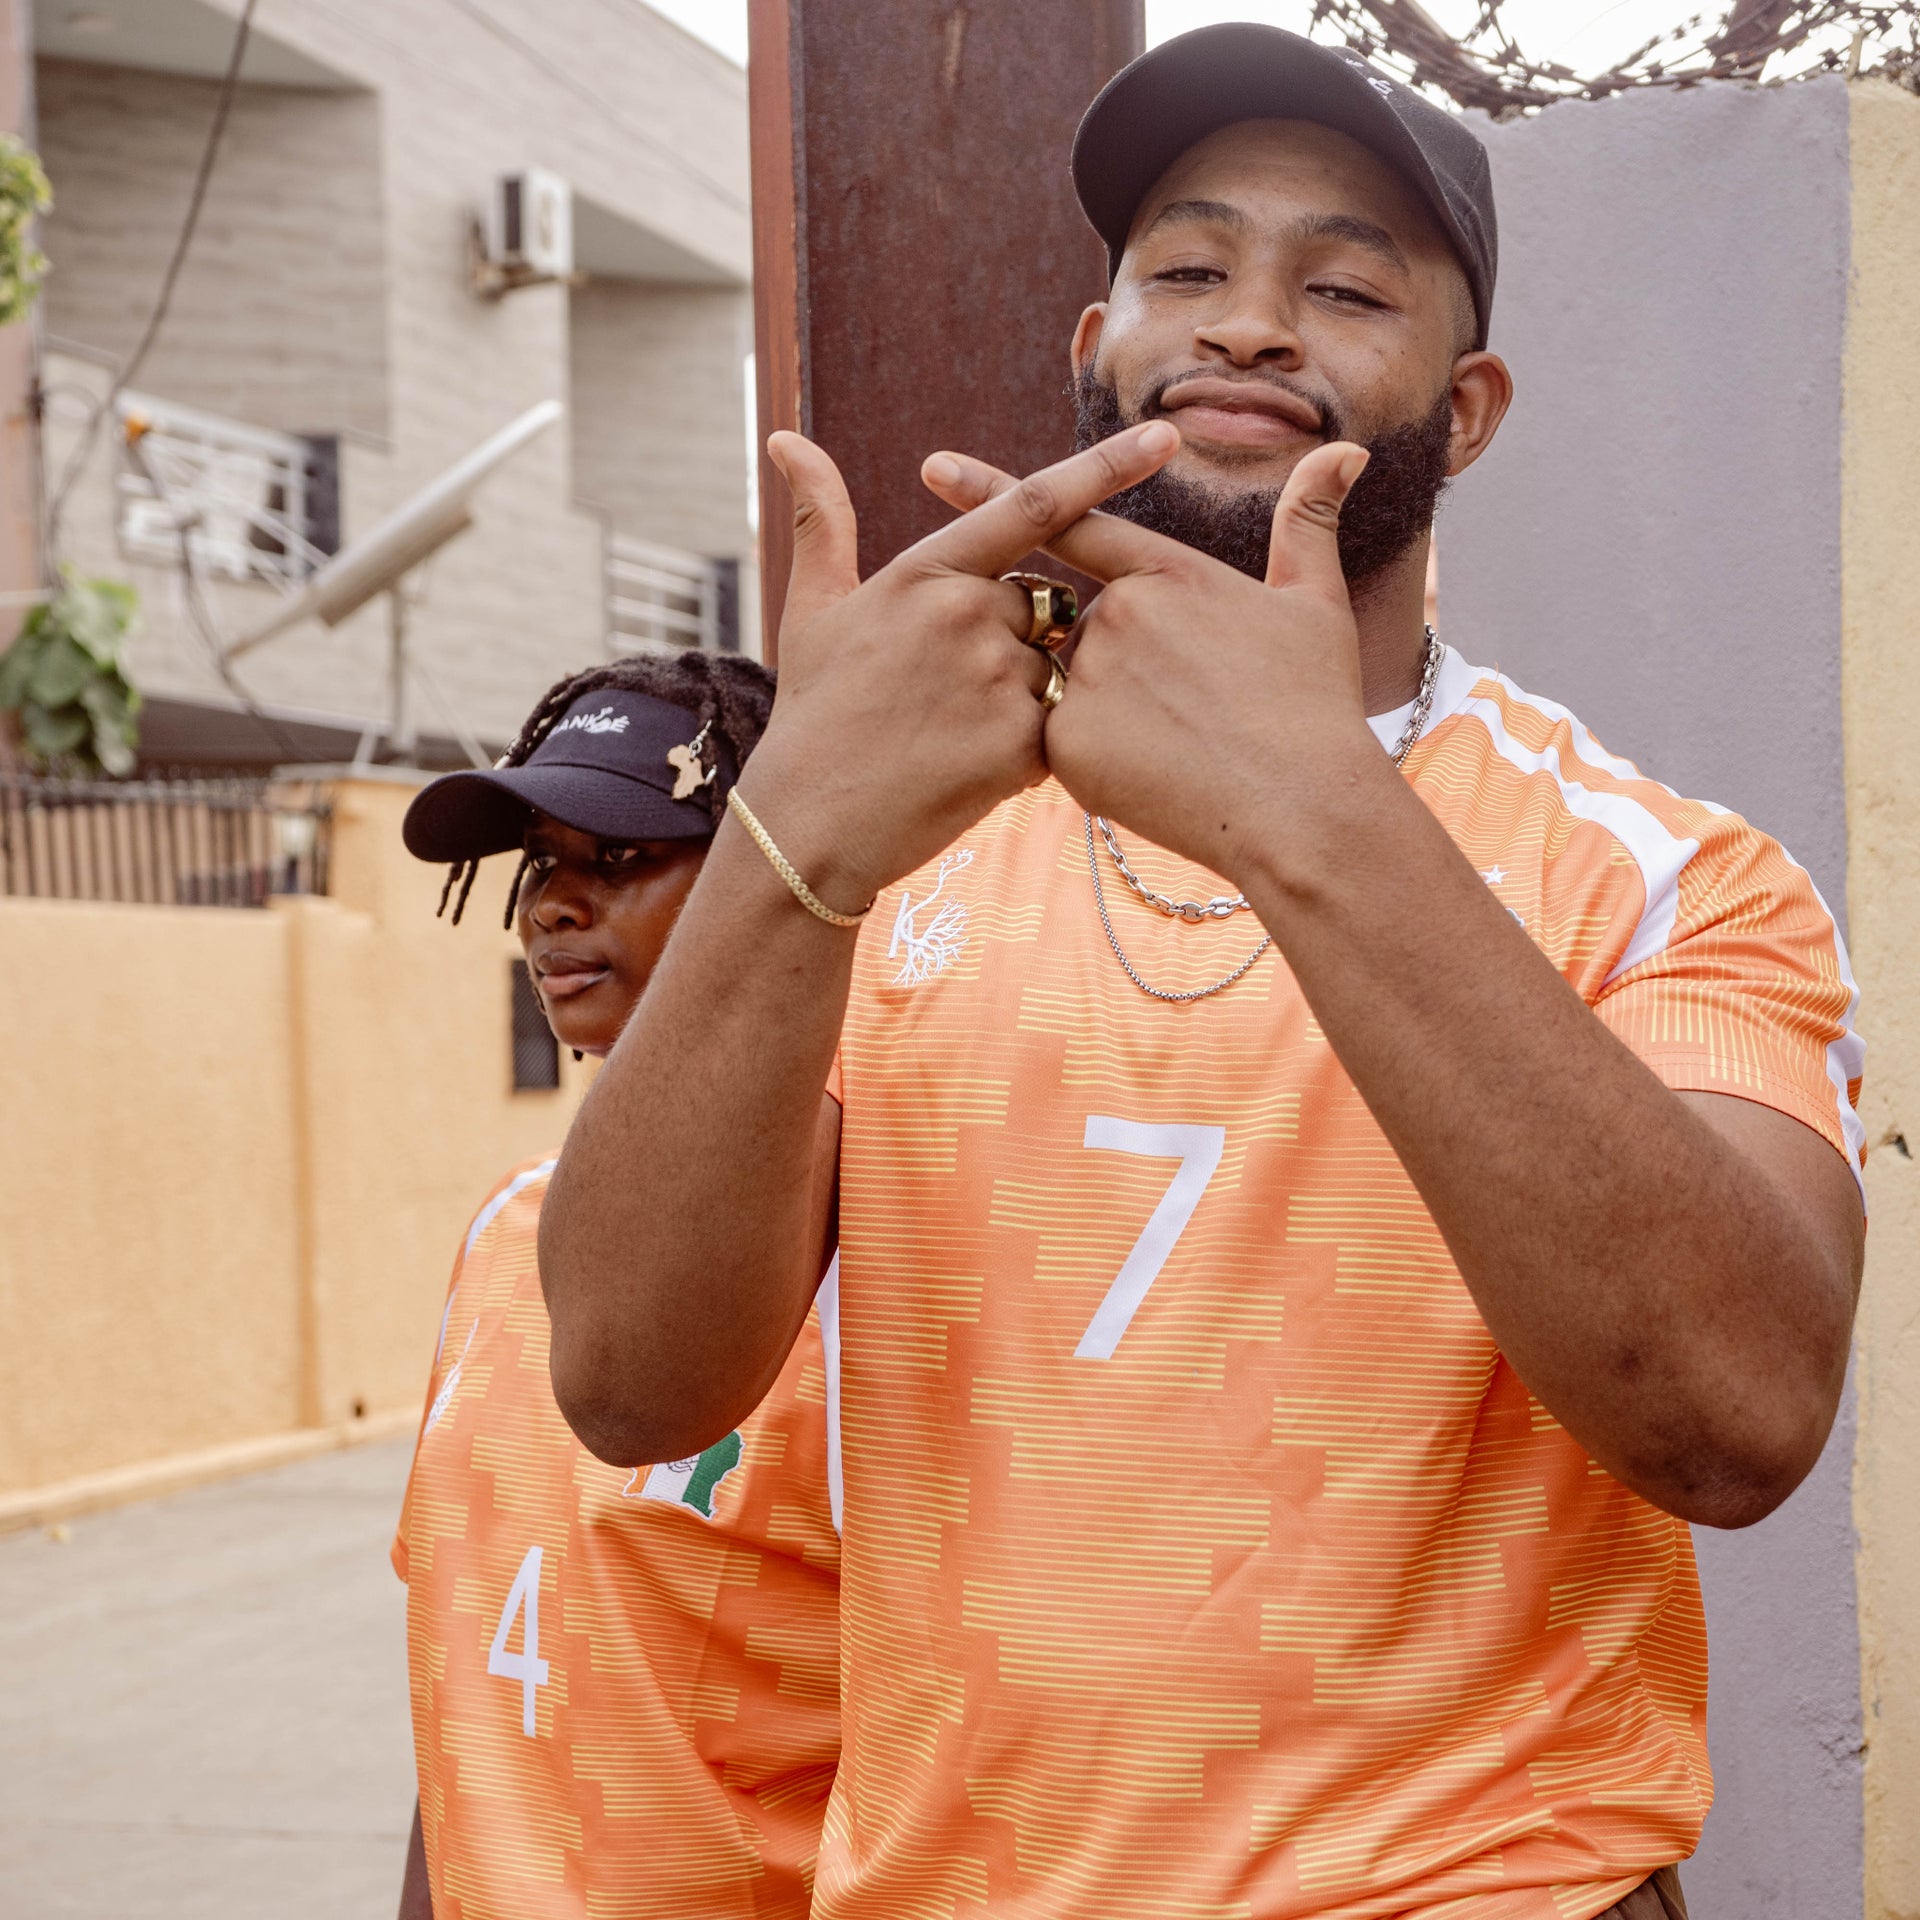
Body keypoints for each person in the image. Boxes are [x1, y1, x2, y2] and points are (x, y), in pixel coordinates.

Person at [536, 27, 1865, 1920]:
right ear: (1097, 351)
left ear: (1467, 409)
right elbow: (628, 1379)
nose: (1248, 325)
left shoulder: (1664, 873)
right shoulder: (913, 831)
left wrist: (1313, 809)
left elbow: (1734, 1420)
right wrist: (790, 846)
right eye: (1187, 268)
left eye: (1343, 285)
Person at [390, 650, 841, 1920]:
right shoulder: (503, 1233)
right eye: (545, 859)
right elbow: (468, 1676)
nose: (554, 906)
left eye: (626, 858)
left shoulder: (872, 1249)